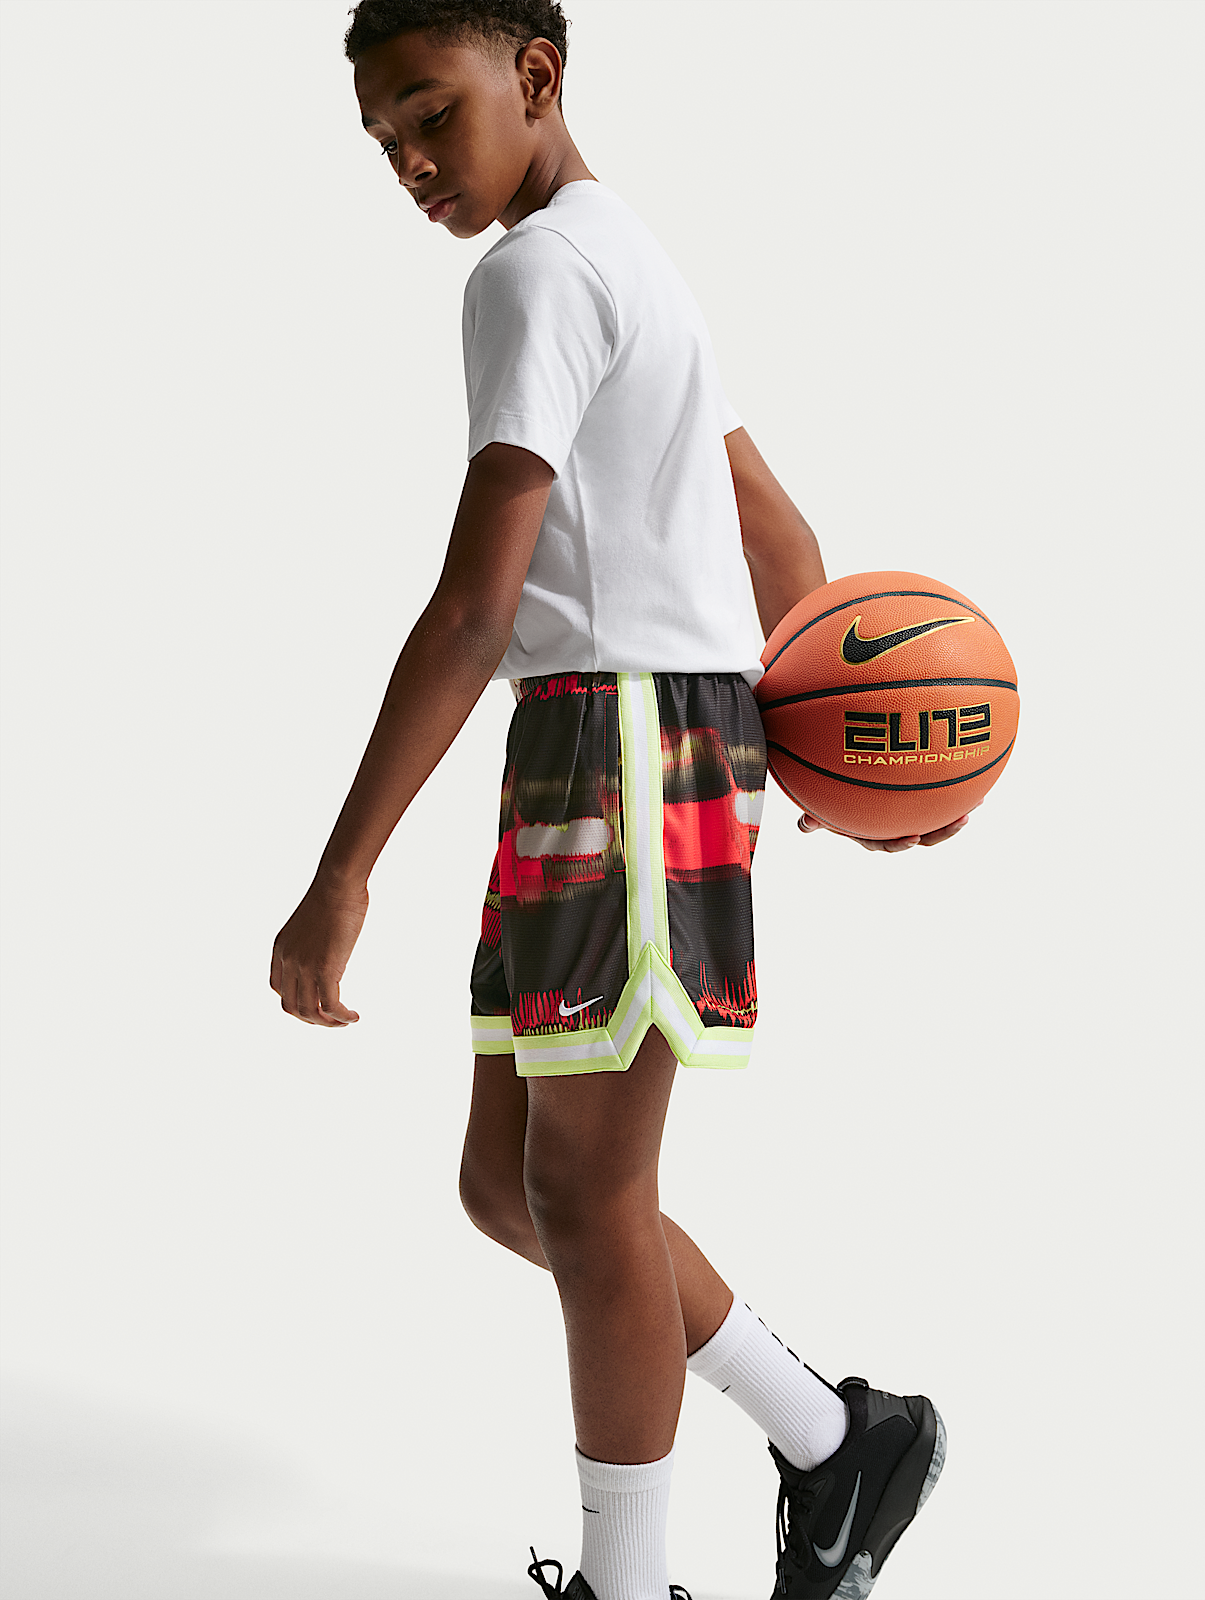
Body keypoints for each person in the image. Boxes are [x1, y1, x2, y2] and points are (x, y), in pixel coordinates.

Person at [271, 4, 961, 1595]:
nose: (411, 162)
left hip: (624, 741)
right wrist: (848, 757)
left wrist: (344, 872)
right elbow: (769, 522)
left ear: (536, 74)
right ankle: (836, 1441)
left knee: (584, 1194)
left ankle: (633, 1583)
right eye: (383, 141)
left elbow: (473, 609)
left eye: (430, 113)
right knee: (512, 1185)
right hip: (612, 743)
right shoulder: (625, 248)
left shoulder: (535, 274)